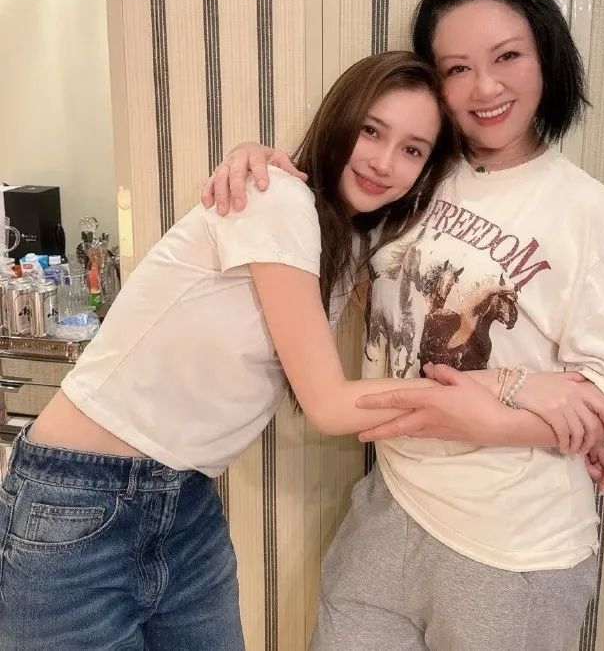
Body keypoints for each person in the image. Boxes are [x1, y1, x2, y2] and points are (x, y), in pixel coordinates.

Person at [203, 0, 604, 651]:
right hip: (390, 507)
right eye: (457, 68)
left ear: (546, 56)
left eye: (507, 57)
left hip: (514, 550)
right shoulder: (417, 170)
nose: (486, 88)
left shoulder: (588, 213)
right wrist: (257, 160)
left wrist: (493, 412)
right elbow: (323, 221)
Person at [0, 51, 467, 651]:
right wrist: (502, 397)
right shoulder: (278, 201)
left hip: (186, 501)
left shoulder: (346, 239)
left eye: (412, 150)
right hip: (76, 499)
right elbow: (328, 405)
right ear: (339, 119)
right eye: (371, 131)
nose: (383, 161)